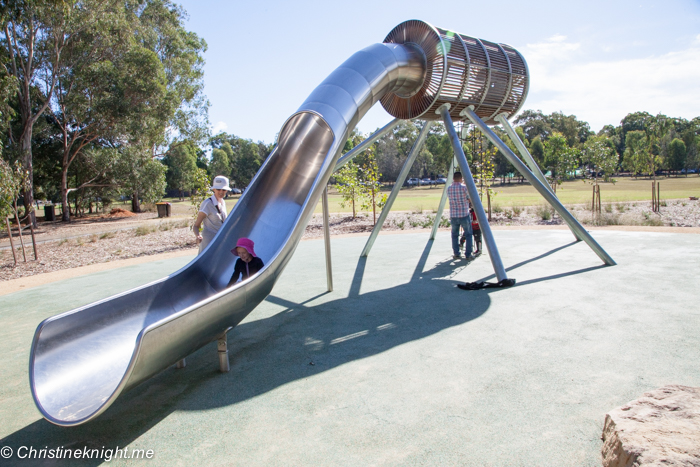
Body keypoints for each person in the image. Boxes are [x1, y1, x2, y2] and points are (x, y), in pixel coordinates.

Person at [194, 175, 231, 254]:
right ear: (214, 189)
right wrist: (198, 236)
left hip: (220, 243)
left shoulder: (223, 202)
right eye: (218, 189)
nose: (221, 192)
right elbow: (196, 225)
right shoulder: (207, 204)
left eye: (224, 189)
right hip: (208, 244)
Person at [447, 171, 472, 259]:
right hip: (464, 214)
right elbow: (469, 199)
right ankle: (468, 254)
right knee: (468, 234)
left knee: (454, 235)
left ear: (453, 179)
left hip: (454, 215)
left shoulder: (449, 188)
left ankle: (456, 253)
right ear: (461, 178)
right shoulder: (464, 188)